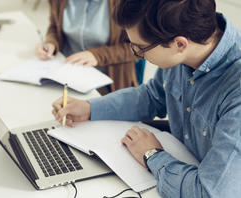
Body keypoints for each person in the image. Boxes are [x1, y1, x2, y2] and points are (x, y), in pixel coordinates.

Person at [51, 0, 241, 197]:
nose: (137, 54)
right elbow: (152, 96)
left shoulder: (236, 90)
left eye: (140, 48)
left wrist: (152, 155)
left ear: (180, 44)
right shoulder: (186, 47)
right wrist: (90, 108)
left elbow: (209, 193)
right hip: (180, 169)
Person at [36, 0, 138, 92]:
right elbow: (54, 25)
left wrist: (98, 55)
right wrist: (52, 43)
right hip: (66, 73)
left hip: (108, 82)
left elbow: (138, 49)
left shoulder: (126, 4)